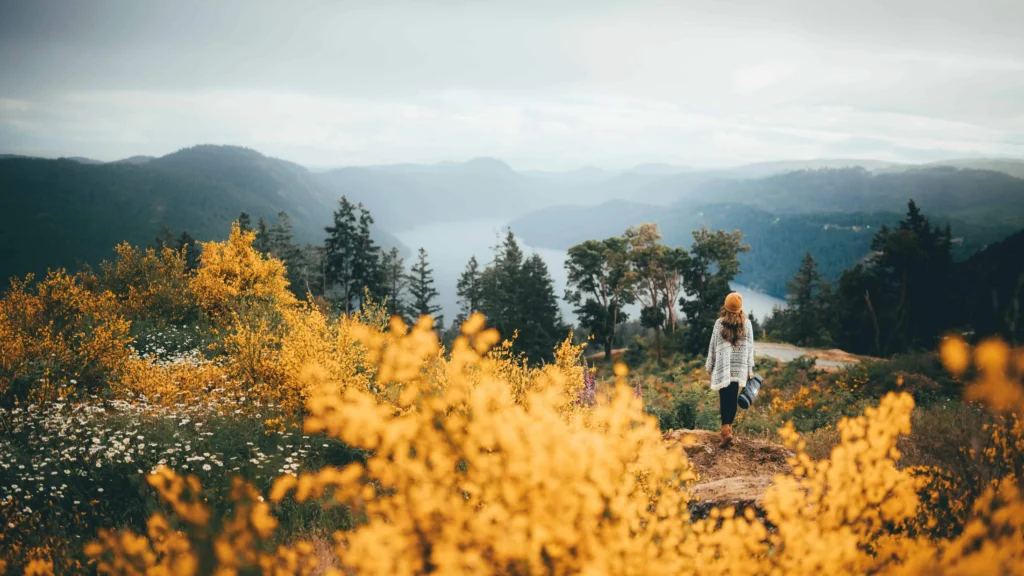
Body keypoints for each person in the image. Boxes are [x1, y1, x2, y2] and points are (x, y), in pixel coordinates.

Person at [704, 292, 755, 448]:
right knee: (732, 397)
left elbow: (713, 346)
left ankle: (726, 430)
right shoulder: (747, 324)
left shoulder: (719, 323)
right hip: (738, 368)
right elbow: (750, 348)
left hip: (723, 366)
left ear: (725, 307)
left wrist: (709, 365)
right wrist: (749, 369)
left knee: (724, 397)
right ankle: (728, 429)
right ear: (740, 309)